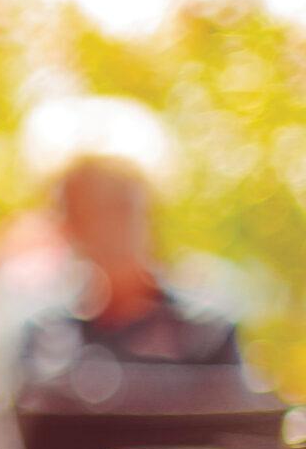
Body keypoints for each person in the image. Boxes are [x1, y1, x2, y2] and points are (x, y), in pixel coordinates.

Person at [13, 155, 245, 399]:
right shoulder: (47, 338)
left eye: (123, 208)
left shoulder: (205, 332)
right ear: (72, 228)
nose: (111, 229)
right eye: (93, 214)